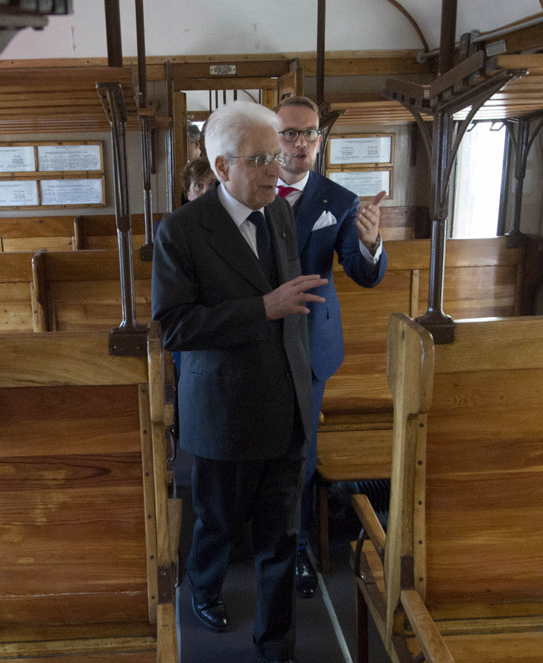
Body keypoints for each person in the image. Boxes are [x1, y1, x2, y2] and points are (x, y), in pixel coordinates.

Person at [152, 100, 327, 663]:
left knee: (279, 537)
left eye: (277, 155)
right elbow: (175, 326)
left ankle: (277, 643)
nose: (277, 169)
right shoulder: (180, 230)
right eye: (260, 159)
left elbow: (294, 306)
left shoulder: (277, 213)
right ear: (222, 167)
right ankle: (203, 588)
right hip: (225, 410)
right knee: (219, 524)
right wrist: (262, 309)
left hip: (286, 405)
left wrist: (306, 385)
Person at [272, 95, 388, 598]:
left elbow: (362, 275)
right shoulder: (249, 192)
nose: (302, 143)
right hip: (257, 340)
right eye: (290, 133)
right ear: (271, 137)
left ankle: (297, 547)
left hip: (311, 342)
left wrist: (370, 243)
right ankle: (258, 537)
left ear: (320, 139)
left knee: (302, 449)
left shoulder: (339, 201)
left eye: (310, 133)